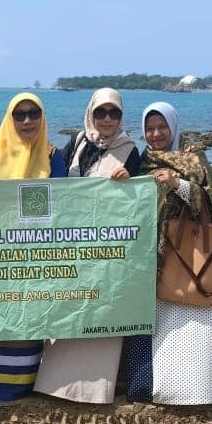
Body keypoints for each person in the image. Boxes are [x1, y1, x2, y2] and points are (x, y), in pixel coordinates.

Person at [33, 89, 139, 404]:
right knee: (69, 307)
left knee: (100, 310)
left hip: (106, 247)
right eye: (101, 113)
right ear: (90, 114)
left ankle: (95, 389)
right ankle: (57, 384)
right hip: (73, 242)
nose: (107, 119)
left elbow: (138, 197)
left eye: (114, 113)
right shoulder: (78, 142)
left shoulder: (130, 149)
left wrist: (128, 180)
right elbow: (58, 180)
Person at [125, 101, 212, 406]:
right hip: (147, 254)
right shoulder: (142, 161)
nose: (156, 134)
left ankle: (187, 390)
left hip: (184, 256)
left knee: (184, 319)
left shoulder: (193, 158)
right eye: (150, 128)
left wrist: (179, 185)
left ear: (173, 126)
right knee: (146, 320)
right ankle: (143, 387)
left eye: (162, 127)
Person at [0, 93, 66, 401]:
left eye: (34, 113)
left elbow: (62, 205)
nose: (27, 120)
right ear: (10, 117)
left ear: (42, 117)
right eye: (19, 114)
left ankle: (22, 383)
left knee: (25, 319)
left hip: (32, 256)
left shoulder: (51, 154)